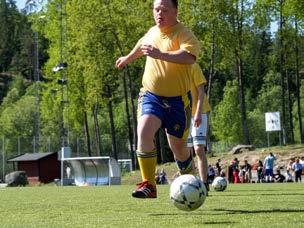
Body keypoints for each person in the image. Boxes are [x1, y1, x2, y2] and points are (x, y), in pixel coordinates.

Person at [115, 0, 200, 198]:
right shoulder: (153, 31)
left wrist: (160, 54)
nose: (159, 13)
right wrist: (127, 58)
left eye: (164, 10)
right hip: (151, 95)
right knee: (144, 131)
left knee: (178, 148)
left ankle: (192, 181)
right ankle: (149, 185)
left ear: (175, 11)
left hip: (179, 102)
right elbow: (142, 45)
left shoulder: (184, 34)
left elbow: (189, 57)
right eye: (156, 9)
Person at [187, 63, 211, 192]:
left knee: (198, 149)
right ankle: (190, 184)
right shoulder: (173, 67)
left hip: (198, 112)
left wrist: (198, 112)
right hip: (183, 114)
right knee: (186, 152)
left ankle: (204, 183)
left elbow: (201, 91)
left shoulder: (193, 66)